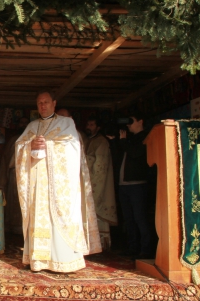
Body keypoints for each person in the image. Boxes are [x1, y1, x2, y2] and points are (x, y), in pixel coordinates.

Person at [15, 90, 101, 272]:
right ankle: (39, 260)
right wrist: (29, 146)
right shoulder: (32, 126)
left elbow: (73, 147)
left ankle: (62, 260)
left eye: (46, 102)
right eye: (39, 103)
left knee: (59, 218)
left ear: (54, 103)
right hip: (38, 185)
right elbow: (19, 146)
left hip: (58, 185)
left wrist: (48, 145)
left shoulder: (66, 123)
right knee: (38, 217)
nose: (43, 106)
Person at [118, 114, 155, 259]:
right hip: (124, 185)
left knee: (140, 217)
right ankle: (132, 247)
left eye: (131, 121)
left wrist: (123, 142)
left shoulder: (146, 137)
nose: (128, 125)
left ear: (141, 121)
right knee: (128, 218)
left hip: (138, 184)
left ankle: (146, 249)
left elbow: (135, 153)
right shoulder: (128, 138)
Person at [85, 118, 118, 250]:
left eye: (92, 124)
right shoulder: (89, 140)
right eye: (88, 123)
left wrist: (84, 160)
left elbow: (100, 166)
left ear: (98, 127)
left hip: (97, 182)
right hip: (88, 180)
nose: (88, 126)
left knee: (97, 211)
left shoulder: (101, 142)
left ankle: (100, 245)